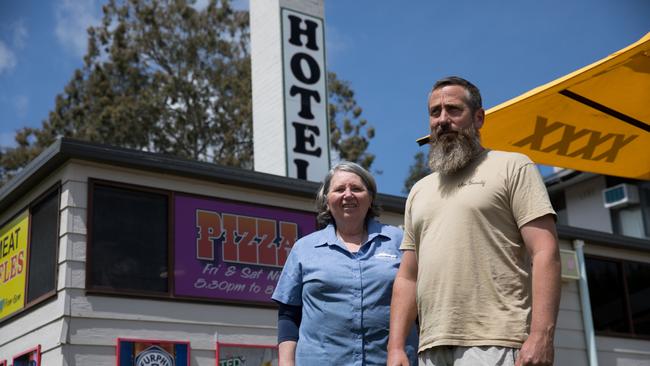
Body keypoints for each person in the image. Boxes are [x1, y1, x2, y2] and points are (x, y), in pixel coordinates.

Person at [387, 76, 561, 366]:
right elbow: (408, 277)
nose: (442, 120)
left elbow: (545, 251)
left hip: (497, 341)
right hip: (431, 347)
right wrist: (395, 348)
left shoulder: (513, 167)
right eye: (435, 112)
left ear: (478, 118)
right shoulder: (419, 191)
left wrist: (541, 335)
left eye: (453, 110)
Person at [272, 161, 418, 365]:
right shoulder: (303, 249)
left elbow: (419, 305)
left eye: (356, 188)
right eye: (339, 189)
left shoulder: (400, 242)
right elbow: (289, 316)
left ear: (370, 198)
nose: (348, 195)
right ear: (326, 200)